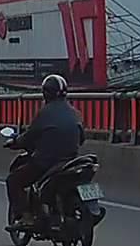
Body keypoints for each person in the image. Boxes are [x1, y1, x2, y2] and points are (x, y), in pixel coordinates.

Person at [5, 74, 85, 228]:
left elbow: (29, 137)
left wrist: (15, 142)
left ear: (46, 93)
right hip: (71, 161)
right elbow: (81, 138)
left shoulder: (44, 113)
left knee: (13, 181)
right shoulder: (75, 112)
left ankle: (27, 217)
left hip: (46, 162)